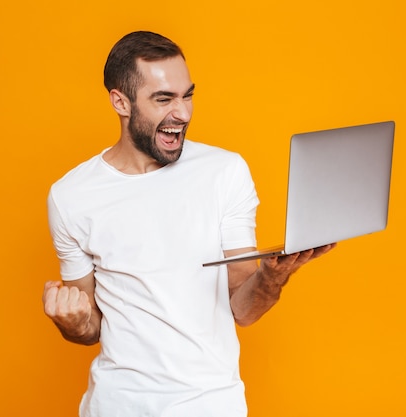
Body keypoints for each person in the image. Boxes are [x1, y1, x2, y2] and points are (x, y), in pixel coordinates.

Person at [42, 31, 335, 417]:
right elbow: (90, 328)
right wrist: (71, 322)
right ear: (121, 102)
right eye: (163, 99)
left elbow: (243, 309)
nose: (181, 113)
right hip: (117, 405)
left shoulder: (225, 172)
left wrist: (272, 275)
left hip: (211, 405)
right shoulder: (71, 196)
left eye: (187, 95)